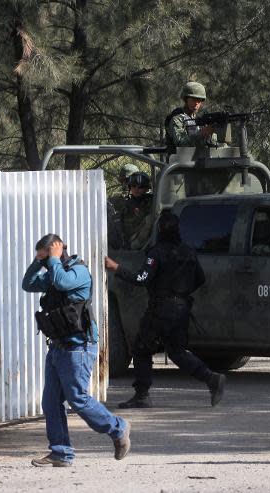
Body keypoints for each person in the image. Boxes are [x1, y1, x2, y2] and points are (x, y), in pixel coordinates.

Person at [22, 234, 131, 467]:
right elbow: (28, 284)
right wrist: (38, 262)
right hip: (58, 348)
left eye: (48, 254)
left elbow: (62, 283)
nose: (48, 261)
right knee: (51, 402)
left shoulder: (78, 271)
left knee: (78, 398)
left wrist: (52, 259)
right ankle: (61, 453)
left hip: (78, 347)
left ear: (60, 250)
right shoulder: (53, 271)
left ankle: (118, 428)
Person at [105, 212, 225, 408]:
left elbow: (141, 279)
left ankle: (142, 394)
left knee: (141, 349)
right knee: (177, 352)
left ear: (159, 229)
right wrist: (181, 293)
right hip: (182, 309)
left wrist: (116, 268)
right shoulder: (188, 252)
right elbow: (200, 279)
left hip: (161, 310)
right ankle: (212, 379)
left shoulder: (157, 252)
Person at [165, 81, 215, 151]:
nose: (196, 103)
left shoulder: (199, 118)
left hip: (200, 157)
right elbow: (180, 143)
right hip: (179, 159)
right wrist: (201, 133)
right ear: (186, 99)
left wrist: (212, 133)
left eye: (199, 100)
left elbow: (212, 143)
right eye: (193, 100)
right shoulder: (177, 119)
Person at [120, 171, 154, 249]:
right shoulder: (126, 203)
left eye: (140, 187)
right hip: (128, 240)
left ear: (146, 188)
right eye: (133, 186)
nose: (136, 189)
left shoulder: (151, 201)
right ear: (130, 187)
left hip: (143, 242)